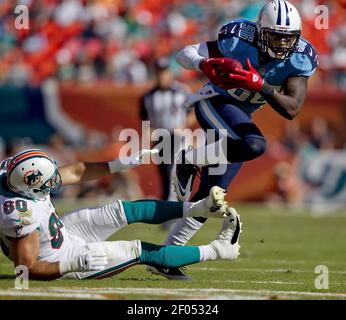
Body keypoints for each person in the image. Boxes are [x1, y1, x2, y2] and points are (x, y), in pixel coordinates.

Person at [152, 0, 318, 280]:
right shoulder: (238, 38)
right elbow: (185, 53)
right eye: (275, 36)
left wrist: (260, 85)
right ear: (260, 30)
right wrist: (205, 64)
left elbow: (291, 108)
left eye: (287, 38)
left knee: (211, 198)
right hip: (214, 103)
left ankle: (165, 256)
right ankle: (190, 158)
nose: (281, 44)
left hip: (239, 118)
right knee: (254, 145)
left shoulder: (300, 57)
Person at [0, 148, 241, 280]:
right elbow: (25, 269)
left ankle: (198, 208)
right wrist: (70, 264)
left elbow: (74, 172)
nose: (56, 180)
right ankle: (219, 250)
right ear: (30, 187)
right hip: (61, 259)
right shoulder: (19, 214)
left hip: (63, 232)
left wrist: (120, 164)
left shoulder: (11, 176)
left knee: (123, 209)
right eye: (50, 180)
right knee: (139, 250)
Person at [139, 57, 194, 202]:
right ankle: (168, 209)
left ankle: (176, 208)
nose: (161, 76)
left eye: (164, 72)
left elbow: (193, 114)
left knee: (176, 171)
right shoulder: (148, 96)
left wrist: (183, 125)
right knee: (164, 173)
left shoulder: (182, 91)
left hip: (179, 136)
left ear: (170, 73)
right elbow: (144, 118)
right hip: (160, 137)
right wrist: (148, 130)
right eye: (158, 72)